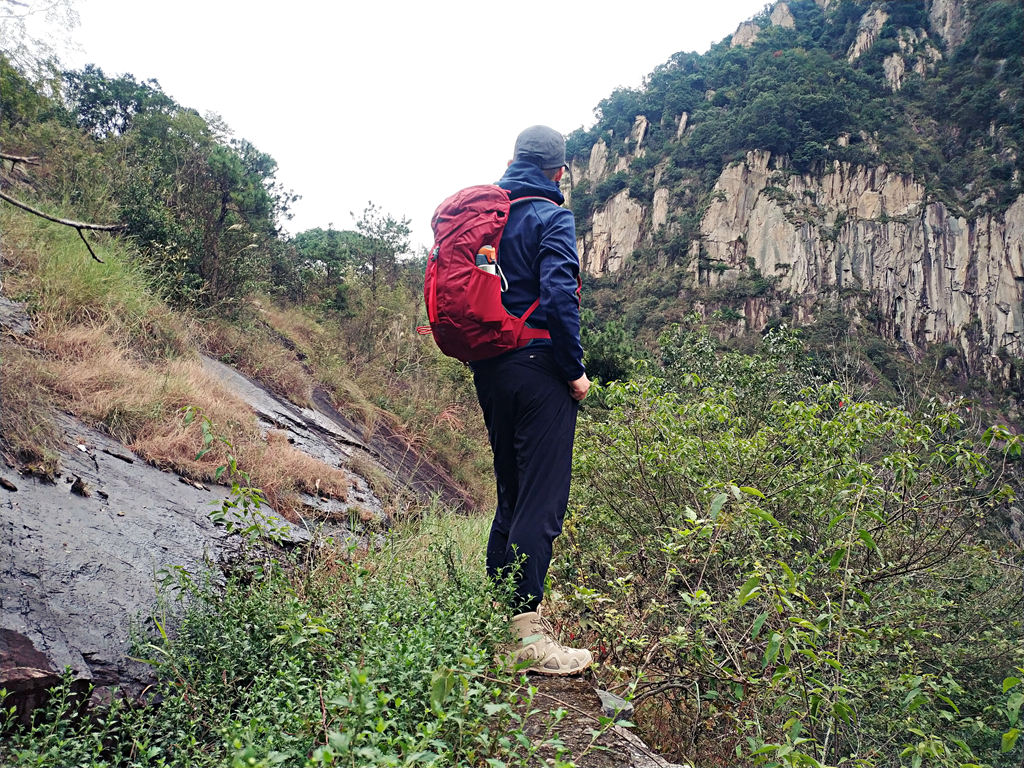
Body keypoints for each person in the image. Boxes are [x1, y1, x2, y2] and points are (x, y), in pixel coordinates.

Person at [470, 125, 593, 675]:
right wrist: (574, 370)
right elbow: (560, 295)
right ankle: (527, 639)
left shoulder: (489, 218)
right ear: (558, 171)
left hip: (491, 368)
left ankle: (500, 621)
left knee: (512, 494)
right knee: (541, 502)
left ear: (514, 160)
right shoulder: (551, 216)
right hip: (540, 366)